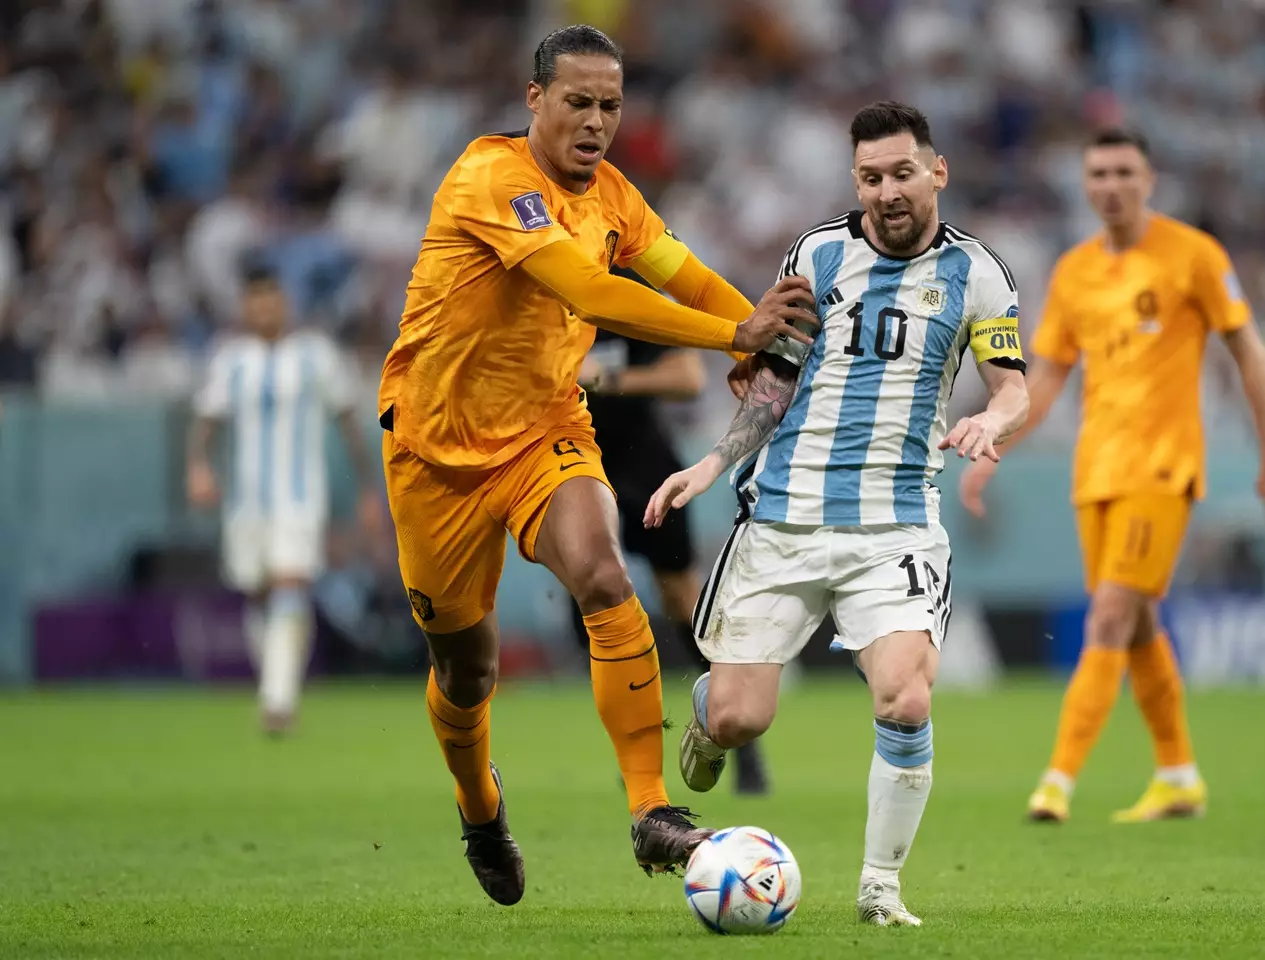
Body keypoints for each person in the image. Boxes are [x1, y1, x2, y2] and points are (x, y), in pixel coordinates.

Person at [376, 25, 808, 907]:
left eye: (610, 105)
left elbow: (681, 275)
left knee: (607, 576)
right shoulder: (490, 177)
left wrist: (760, 329)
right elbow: (590, 291)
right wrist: (736, 333)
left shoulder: (615, 194)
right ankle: (479, 807)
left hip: (545, 431)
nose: (596, 121)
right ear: (535, 99)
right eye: (578, 101)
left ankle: (652, 809)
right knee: (467, 672)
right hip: (435, 452)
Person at [646, 102, 1030, 926]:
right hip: (784, 518)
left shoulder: (980, 274)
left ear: (937, 172)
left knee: (906, 699)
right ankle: (709, 729)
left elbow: (1013, 385)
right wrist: (713, 464)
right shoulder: (817, 254)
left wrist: (991, 423)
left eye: (900, 173)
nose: (885, 192)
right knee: (743, 717)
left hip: (895, 525)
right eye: (869, 177)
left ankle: (880, 888)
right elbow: (773, 385)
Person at [960, 128, 1265, 824]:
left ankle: (1056, 782)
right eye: (1098, 173)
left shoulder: (1193, 255)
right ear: (1085, 185)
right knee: (1138, 622)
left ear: (1149, 179)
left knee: (1110, 613)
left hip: (1165, 465)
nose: (1110, 185)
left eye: (1123, 172)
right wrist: (996, 444)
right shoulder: (1075, 270)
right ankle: (1178, 775)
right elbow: (1046, 376)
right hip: (1096, 470)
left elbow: (1250, 353)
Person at [573, 312, 770, 796]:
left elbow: (688, 376)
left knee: (682, 599)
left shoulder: (622, 290)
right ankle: (638, 751)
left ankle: (738, 745)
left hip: (642, 462)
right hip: (572, 461)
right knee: (592, 608)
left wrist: (608, 378)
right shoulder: (544, 292)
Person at [188, 261, 382, 735]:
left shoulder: (316, 355)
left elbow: (348, 423)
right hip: (245, 502)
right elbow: (207, 423)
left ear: (284, 302)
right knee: (258, 592)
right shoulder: (229, 360)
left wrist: (366, 491)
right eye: (256, 299)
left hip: (300, 499)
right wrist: (198, 467)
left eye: (272, 297)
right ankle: (274, 686)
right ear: (245, 306)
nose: (265, 307)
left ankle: (278, 700)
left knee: (290, 583)